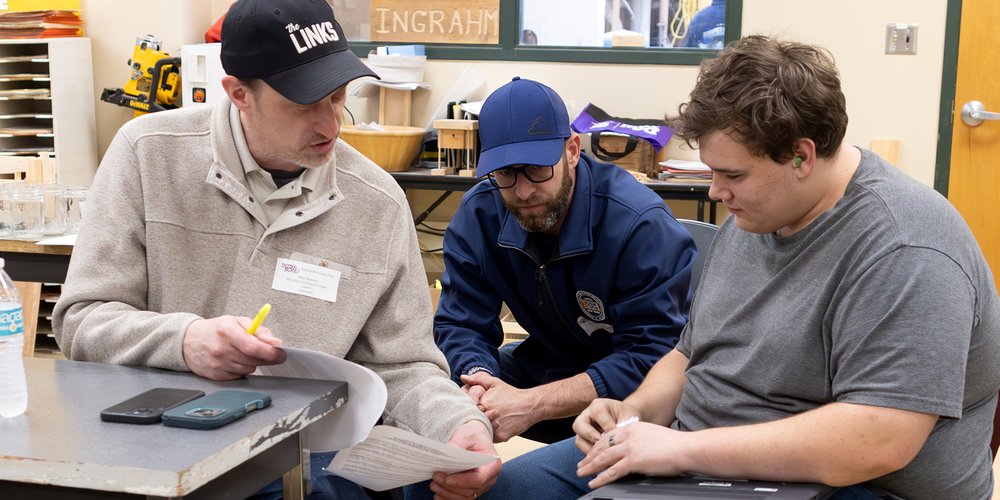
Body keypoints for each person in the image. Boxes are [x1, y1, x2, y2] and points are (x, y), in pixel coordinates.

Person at [472, 36, 1000, 500]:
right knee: (500, 490)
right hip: (703, 451)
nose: (715, 193)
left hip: (853, 484)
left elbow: (877, 441)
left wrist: (682, 450)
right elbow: (690, 351)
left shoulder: (907, 249)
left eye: (732, 175)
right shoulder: (759, 215)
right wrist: (632, 413)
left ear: (801, 156)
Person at [51, 0, 500, 499]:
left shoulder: (377, 203)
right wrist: (185, 341)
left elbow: (404, 365)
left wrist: (458, 424)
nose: (330, 125)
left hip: (303, 452)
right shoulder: (146, 154)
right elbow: (82, 322)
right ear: (239, 93)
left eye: (337, 97)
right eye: (303, 104)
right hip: (157, 442)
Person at [432, 77, 696, 445]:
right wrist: (477, 379)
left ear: (572, 150)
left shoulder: (639, 225)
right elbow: (461, 324)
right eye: (505, 173)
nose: (523, 191)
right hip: (546, 368)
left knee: (511, 488)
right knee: (430, 394)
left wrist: (533, 404)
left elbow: (650, 357)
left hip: (629, 403)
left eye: (537, 168)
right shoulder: (479, 213)